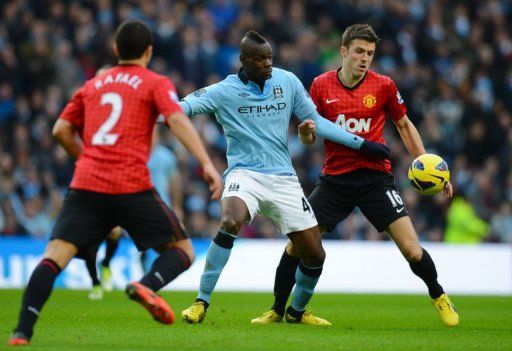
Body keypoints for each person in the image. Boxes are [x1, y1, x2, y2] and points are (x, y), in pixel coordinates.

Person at [8, 20, 222, 346]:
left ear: (116, 50)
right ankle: (146, 285)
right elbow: (176, 118)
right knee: (182, 250)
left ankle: (22, 332)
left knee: (53, 258)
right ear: (149, 52)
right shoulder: (154, 82)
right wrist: (206, 162)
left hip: (87, 185)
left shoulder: (93, 84)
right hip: (131, 184)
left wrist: (85, 157)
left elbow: (60, 131)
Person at [250, 24, 459, 328]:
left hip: (375, 179)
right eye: (360, 51)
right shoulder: (321, 86)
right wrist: (305, 133)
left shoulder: (384, 86)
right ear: (344, 51)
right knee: (297, 244)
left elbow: (404, 125)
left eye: (370, 53)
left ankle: (439, 296)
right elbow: (310, 137)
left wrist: (427, 163)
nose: (365, 59)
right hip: (335, 180)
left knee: (413, 250)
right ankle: (278, 309)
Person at [179, 30, 391, 326]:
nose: (268, 63)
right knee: (230, 220)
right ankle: (201, 301)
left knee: (315, 254)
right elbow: (181, 109)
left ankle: (296, 312)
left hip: (283, 179)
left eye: (270, 57)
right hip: (245, 174)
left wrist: (361, 144)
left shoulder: (287, 82)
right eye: (261, 59)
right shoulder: (223, 91)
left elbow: (315, 122)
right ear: (244, 60)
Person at [86, 125, 184, 300]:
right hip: (130, 204)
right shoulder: (134, 153)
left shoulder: (166, 157)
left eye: (153, 133)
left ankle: (148, 285)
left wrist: (177, 206)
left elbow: (175, 181)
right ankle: (106, 263)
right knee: (114, 232)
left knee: (158, 247)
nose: (150, 136)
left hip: (157, 208)